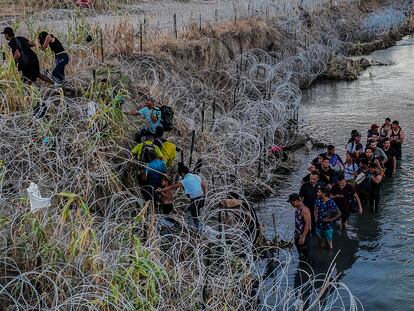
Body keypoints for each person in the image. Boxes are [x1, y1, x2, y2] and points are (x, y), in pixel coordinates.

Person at [157, 163, 208, 230]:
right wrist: (205, 197)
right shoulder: (196, 177)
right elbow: (205, 186)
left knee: (193, 216)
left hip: (195, 200)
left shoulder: (185, 180)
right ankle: (194, 229)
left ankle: (199, 230)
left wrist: (161, 190)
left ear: (182, 173)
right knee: (191, 212)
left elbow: (172, 186)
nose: (181, 176)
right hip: (201, 198)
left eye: (180, 175)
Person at [288, 193, 311, 262]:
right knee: (301, 255)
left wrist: (303, 236)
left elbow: (308, 223)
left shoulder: (304, 210)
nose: (291, 204)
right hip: (298, 234)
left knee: (306, 255)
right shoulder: (297, 208)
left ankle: (308, 269)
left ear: (296, 201)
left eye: (291, 203)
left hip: (303, 235)